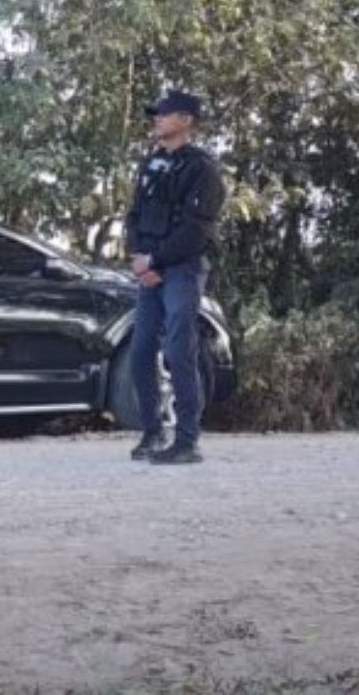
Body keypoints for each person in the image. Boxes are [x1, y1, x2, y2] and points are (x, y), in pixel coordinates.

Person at [125, 90, 225, 465]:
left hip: (181, 269)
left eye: (164, 115)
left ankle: (187, 440)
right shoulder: (150, 164)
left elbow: (196, 231)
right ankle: (152, 432)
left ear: (185, 120)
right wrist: (138, 258)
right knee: (140, 351)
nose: (157, 121)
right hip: (149, 270)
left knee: (179, 351)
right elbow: (134, 215)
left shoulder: (202, 169)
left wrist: (157, 259)